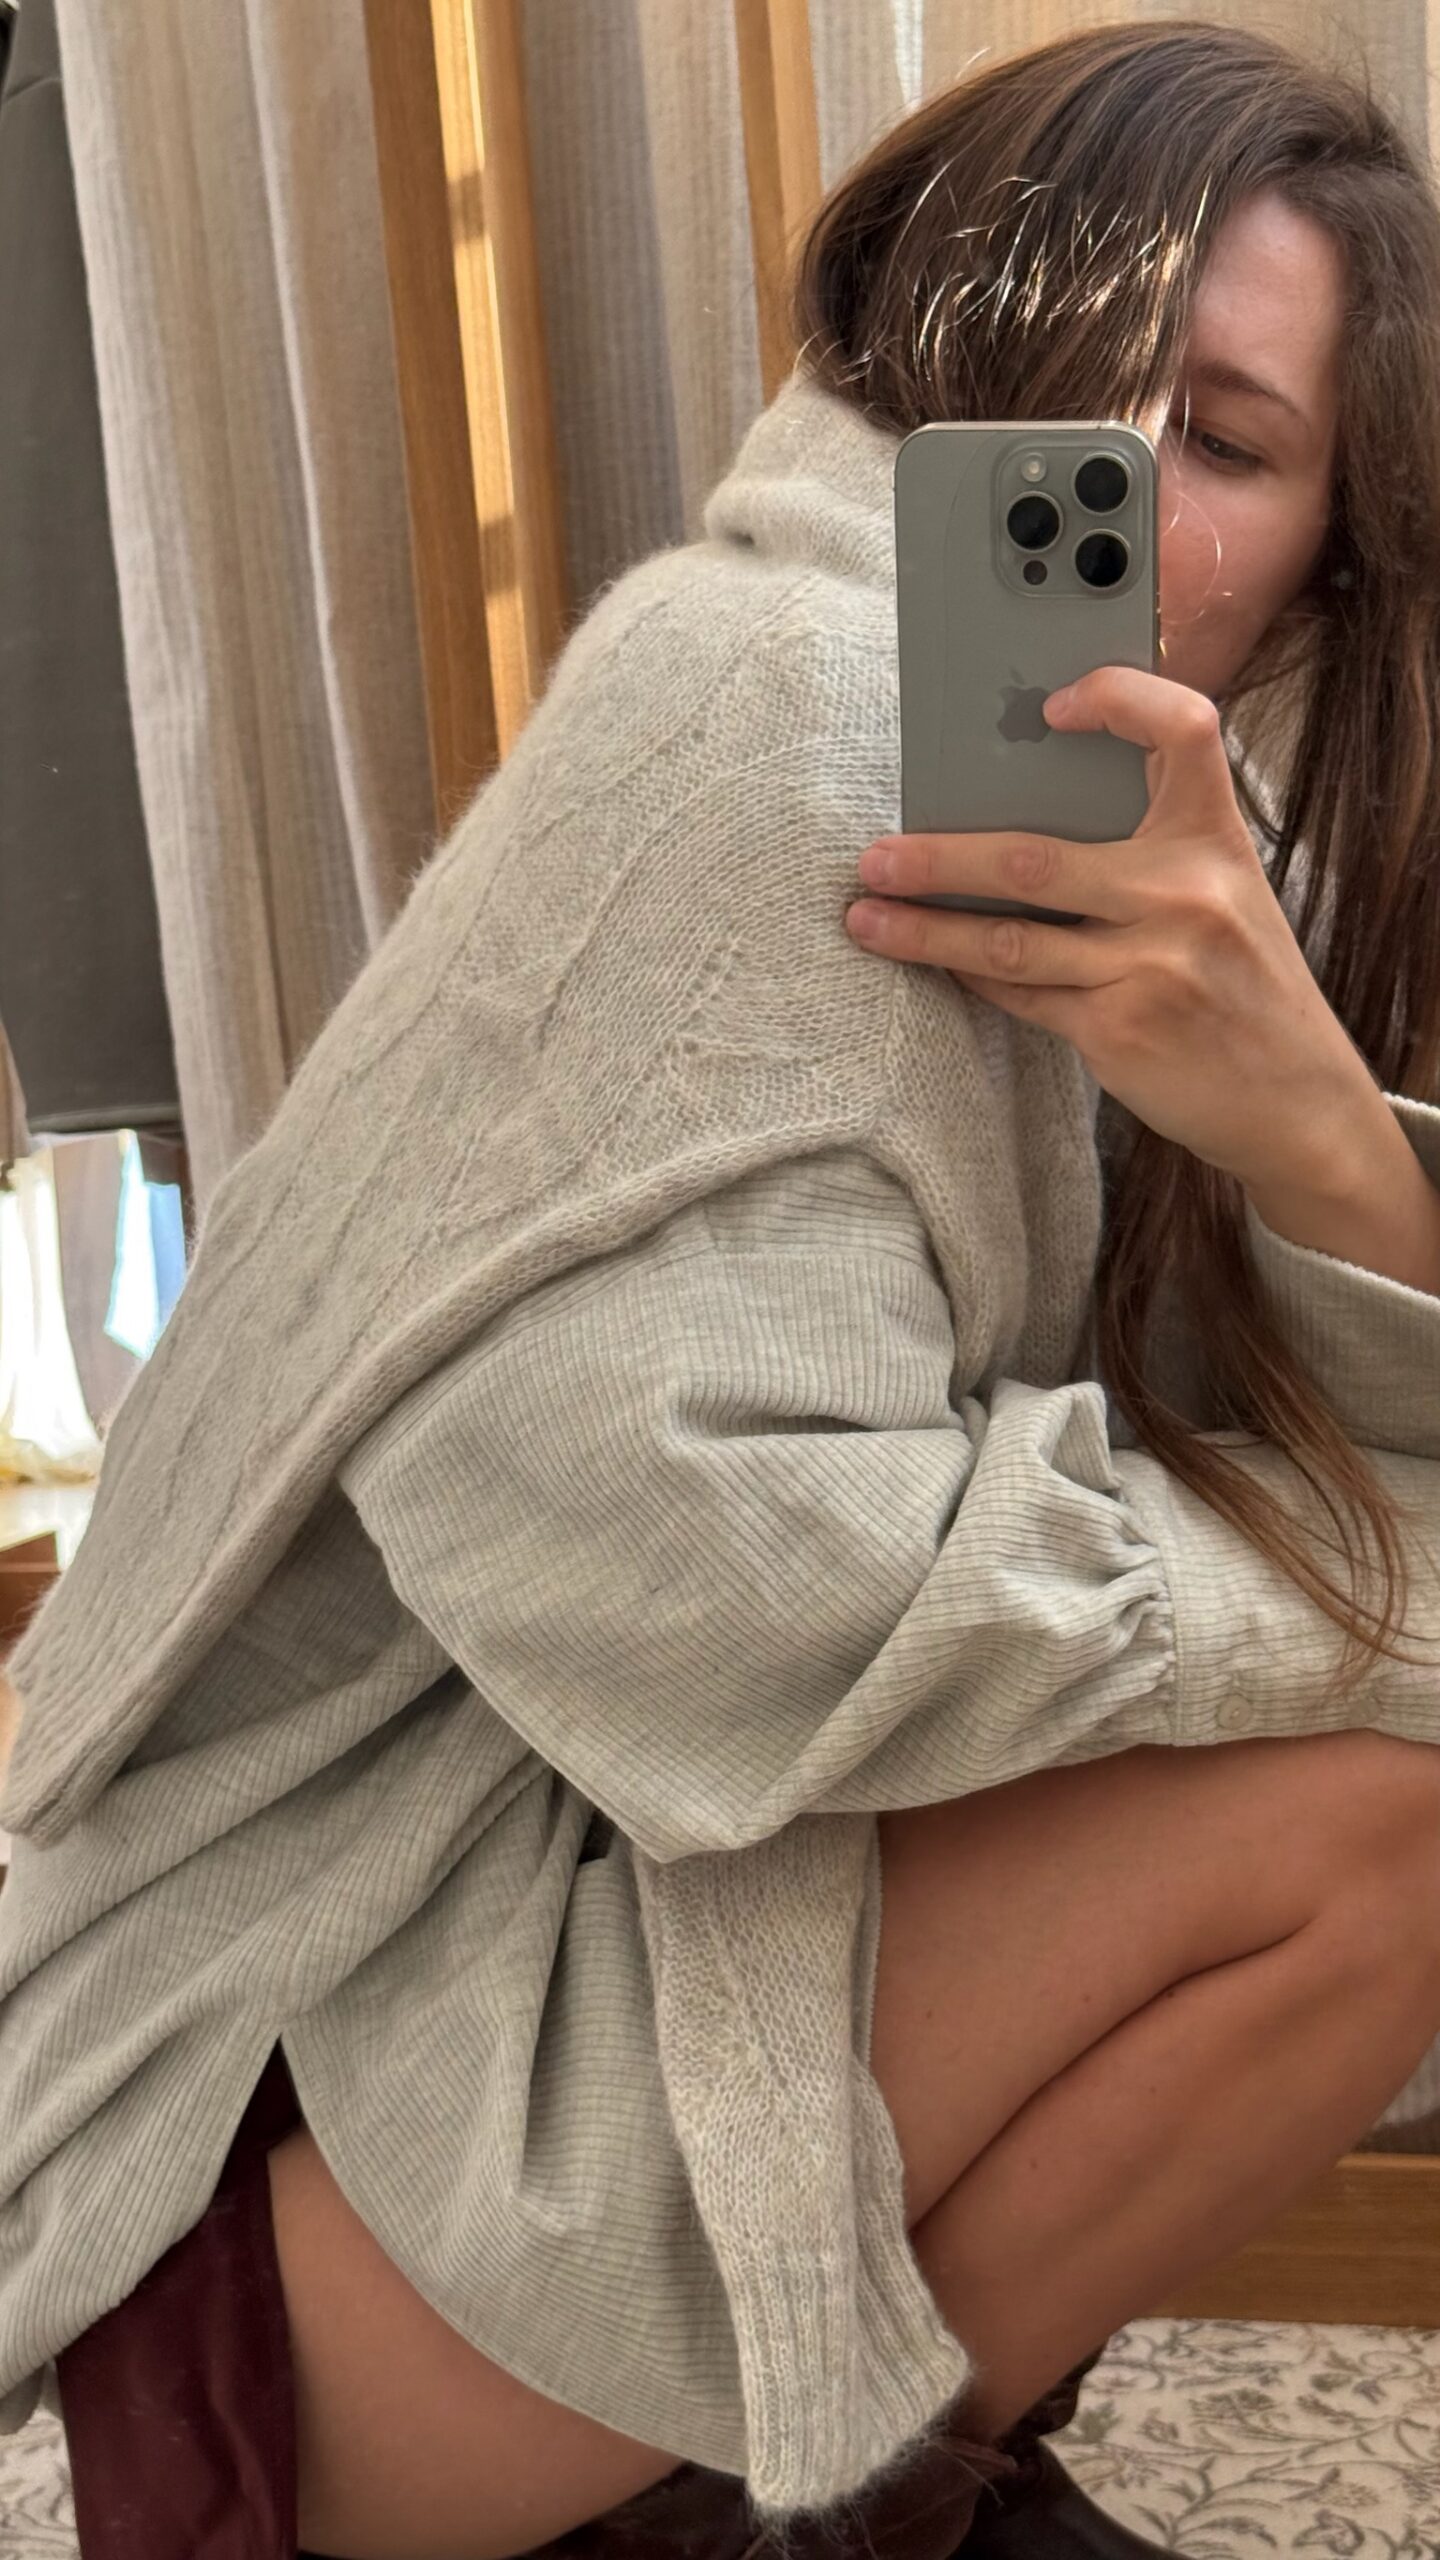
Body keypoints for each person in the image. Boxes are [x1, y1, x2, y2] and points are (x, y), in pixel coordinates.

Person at [5, 17, 1440, 2560]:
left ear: (1334, 558)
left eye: (1219, 443)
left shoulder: (1159, 859)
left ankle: (859, 2486)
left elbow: (1250, 1439)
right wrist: (1392, 1608)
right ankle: (802, 2509)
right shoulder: (765, 715)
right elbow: (712, 1595)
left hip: (536, 1994)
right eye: (1055, 372)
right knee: (1398, 1802)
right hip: (296, 2139)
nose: (1103, 484)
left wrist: (1313, 1128)